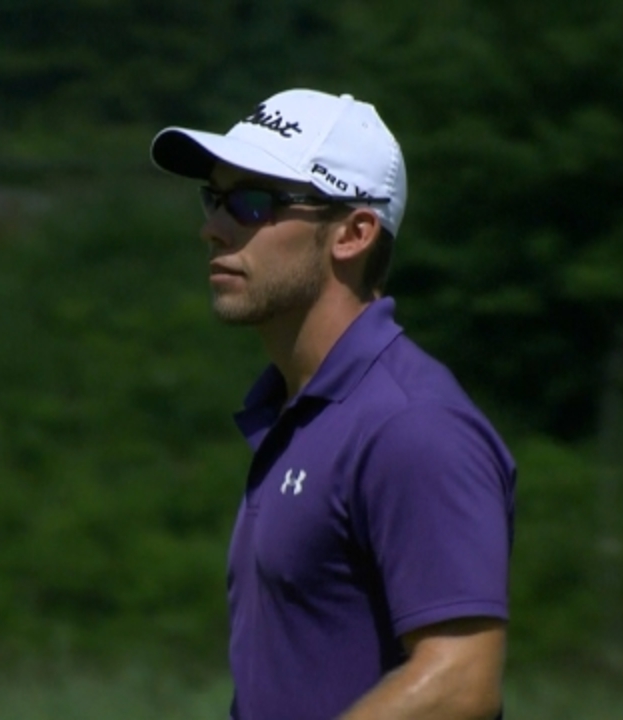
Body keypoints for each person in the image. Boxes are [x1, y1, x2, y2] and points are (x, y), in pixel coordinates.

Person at [149, 89, 516, 720]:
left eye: (253, 203)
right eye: (214, 197)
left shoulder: (412, 425)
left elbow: (462, 683)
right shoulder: (301, 414)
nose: (212, 227)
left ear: (353, 233)